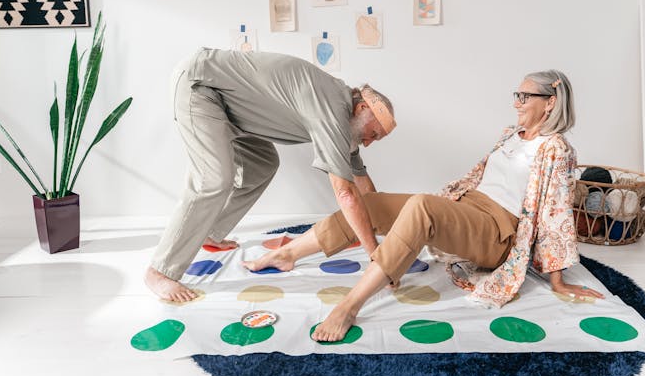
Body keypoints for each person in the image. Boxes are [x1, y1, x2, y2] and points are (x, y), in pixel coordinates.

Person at [244, 69, 605, 342]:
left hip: (498, 233)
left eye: (525, 97)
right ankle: (289, 254)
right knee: (373, 204)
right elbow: (479, 179)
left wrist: (557, 280)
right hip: (471, 209)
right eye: (517, 95)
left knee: (422, 207)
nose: (516, 103)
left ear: (551, 102)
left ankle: (349, 306)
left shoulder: (556, 148)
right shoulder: (510, 134)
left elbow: (555, 213)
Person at [145, 48, 396, 302]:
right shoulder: (333, 109)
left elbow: (364, 187)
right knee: (213, 179)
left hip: (233, 111)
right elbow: (347, 193)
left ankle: (210, 231)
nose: (369, 143)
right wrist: (377, 258)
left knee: (262, 164)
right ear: (362, 107)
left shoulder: (347, 120)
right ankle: (160, 270)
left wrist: (392, 236)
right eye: (374, 134)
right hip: (203, 87)